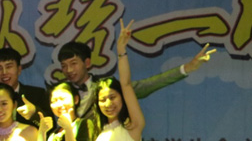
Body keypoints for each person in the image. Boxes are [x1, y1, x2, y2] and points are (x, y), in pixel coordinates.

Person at [57, 40, 216, 118]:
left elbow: (148, 85)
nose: (69, 70)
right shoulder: (58, 94)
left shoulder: (107, 88)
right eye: (64, 66)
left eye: (73, 64)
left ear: (87, 63)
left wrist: (187, 68)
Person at [0, 47, 50, 130]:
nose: (4, 72)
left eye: (9, 67)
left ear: (19, 69)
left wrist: (34, 114)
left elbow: (51, 127)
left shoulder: (37, 94)